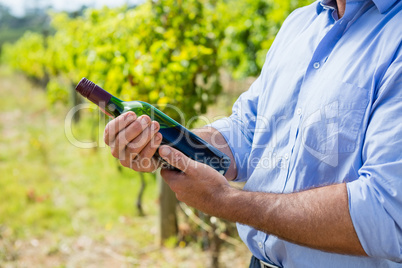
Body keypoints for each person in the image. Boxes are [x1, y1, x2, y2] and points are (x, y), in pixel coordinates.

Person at [103, 0, 402, 267]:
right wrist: (166, 143)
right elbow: (248, 130)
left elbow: (387, 213)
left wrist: (225, 202)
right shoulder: (299, 24)